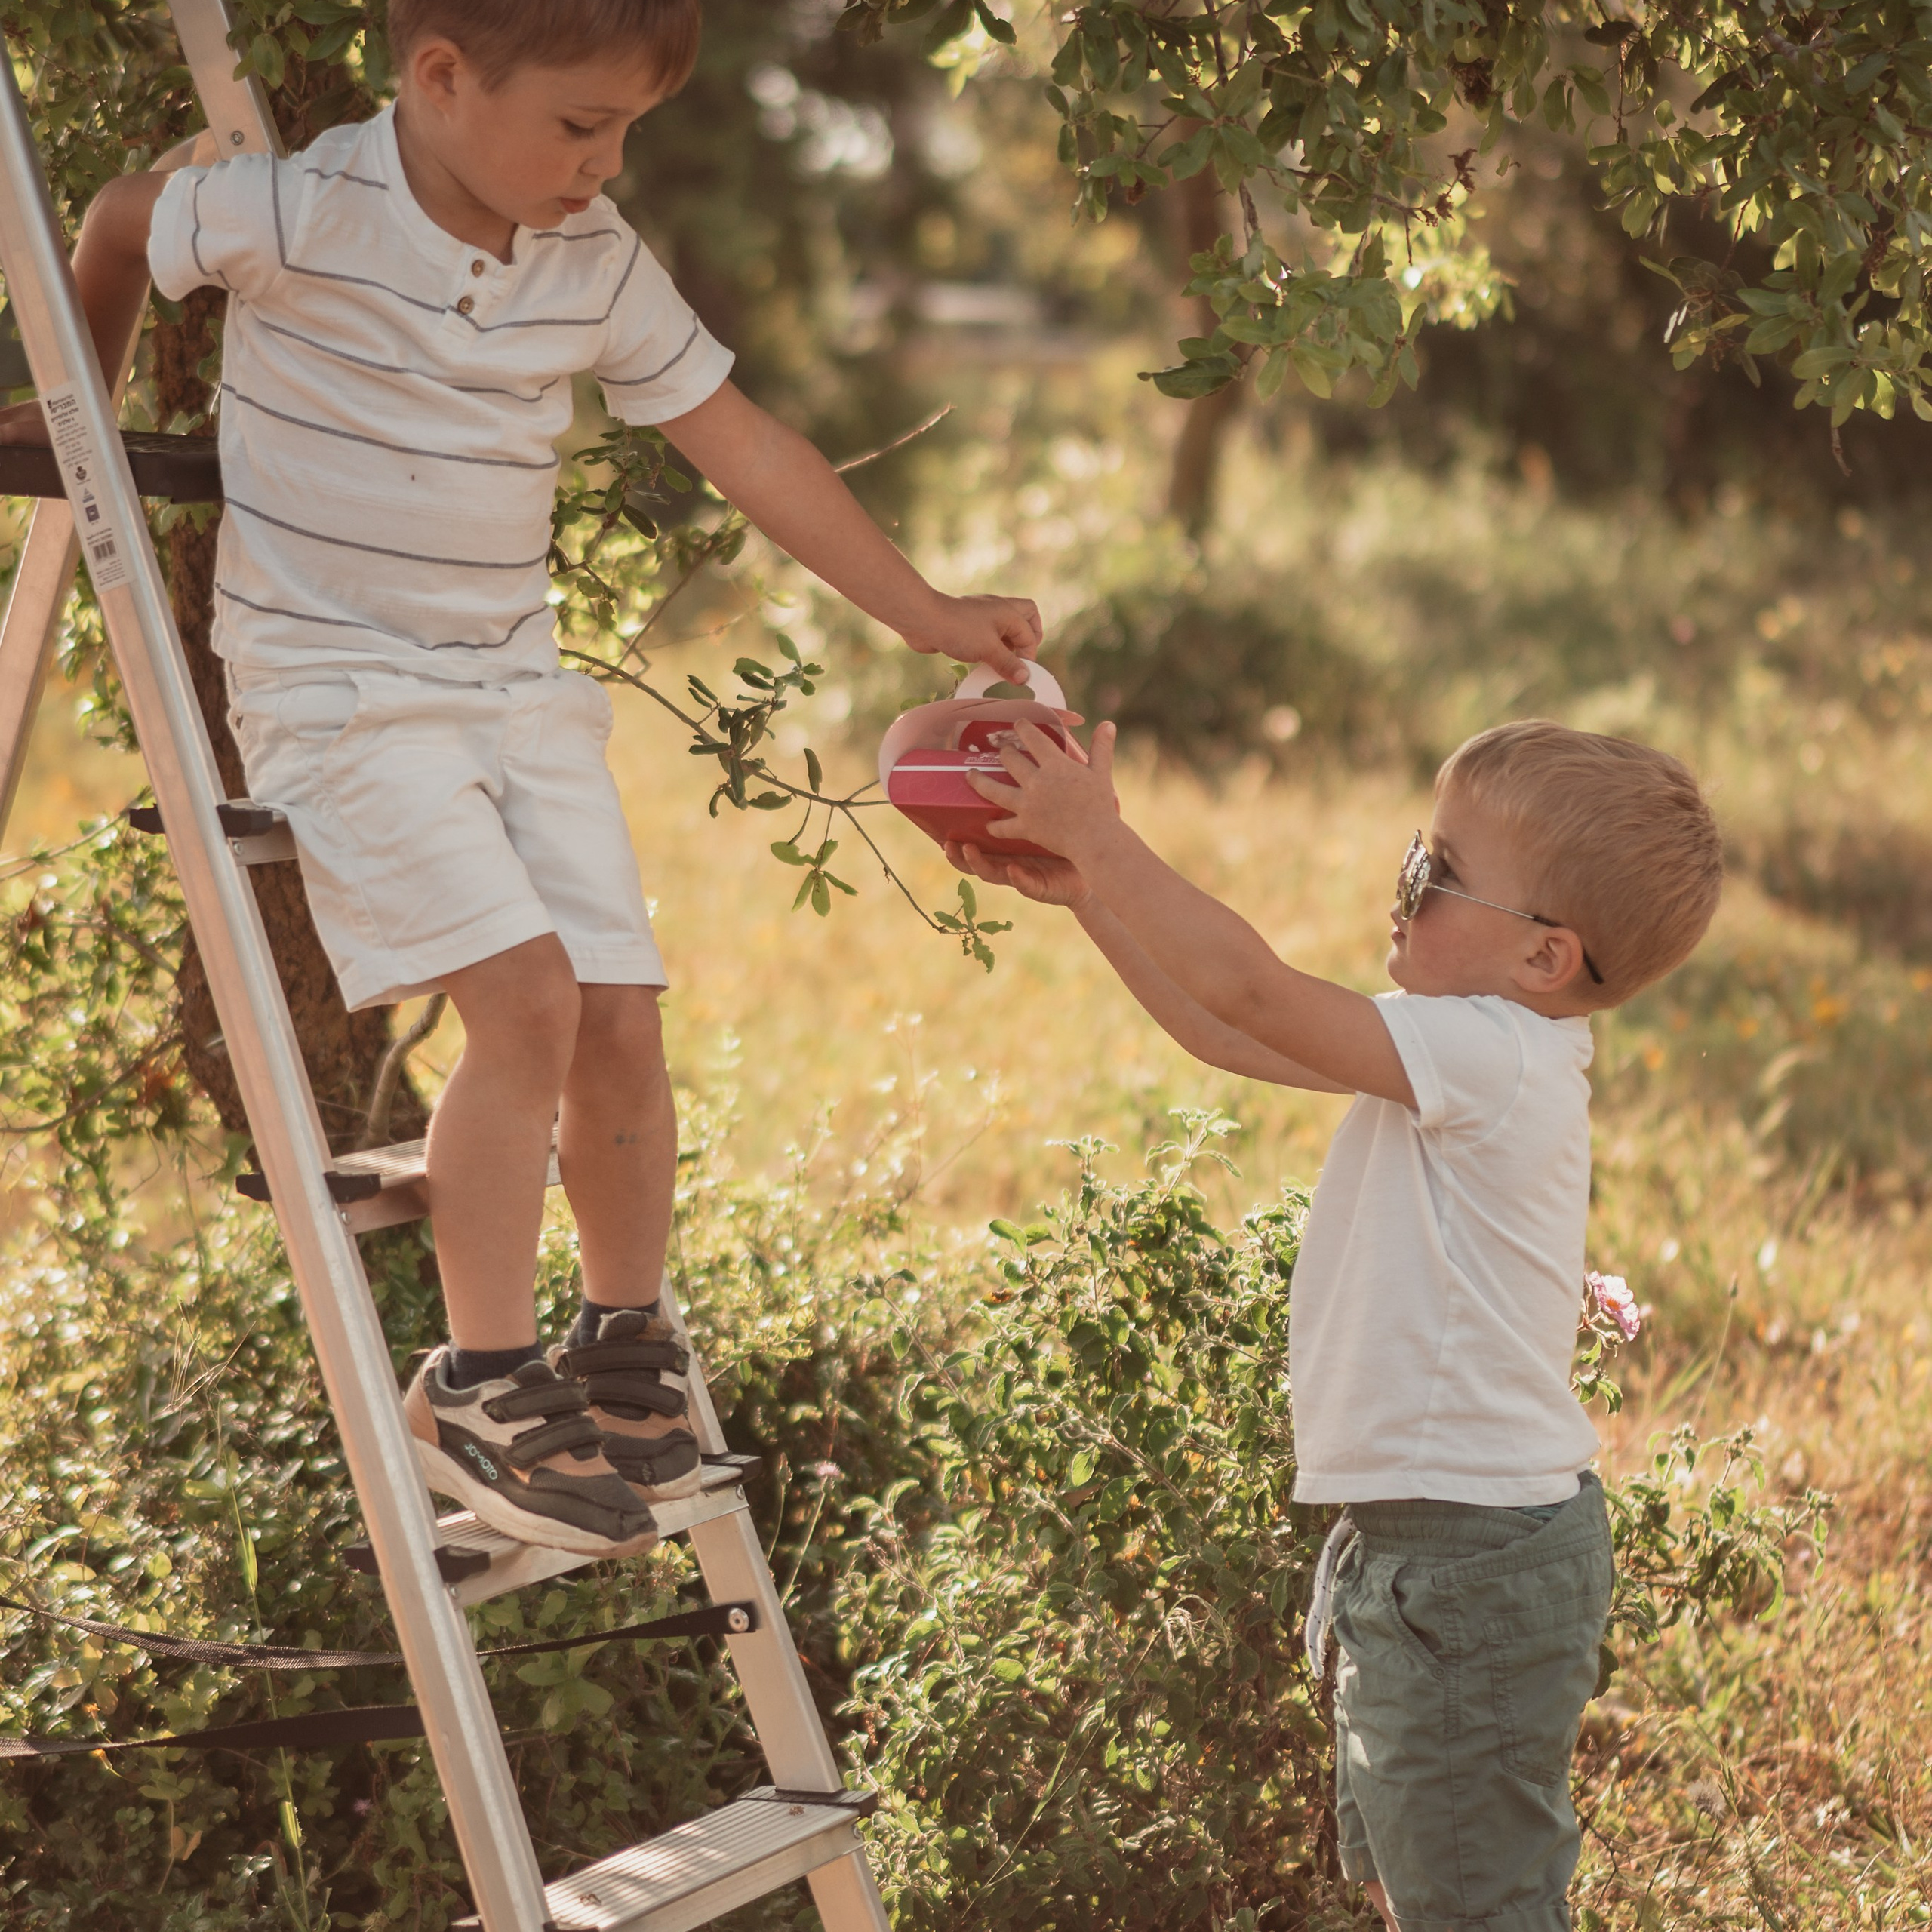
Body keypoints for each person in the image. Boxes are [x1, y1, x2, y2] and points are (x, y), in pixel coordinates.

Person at [5, 0, 1041, 1561]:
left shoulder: (594, 260)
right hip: (342, 695)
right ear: (437, 78)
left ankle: (621, 1343)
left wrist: (930, 616)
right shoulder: (305, 206)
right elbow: (121, 214)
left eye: (628, 131)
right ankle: (479, 1377)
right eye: (578, 126)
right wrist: (74, 393)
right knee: (532, 1001)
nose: (604, 163)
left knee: (620, 1014)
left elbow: (747, 446)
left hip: (513, 687)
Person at [947, 717, 1723, 1931]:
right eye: (1416, 851)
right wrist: (1092, 888)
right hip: (1433, 1552)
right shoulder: (1468, 1049)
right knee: (1438, 1892)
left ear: (1543, 958)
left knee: (1477, 1908)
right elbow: (1227, 1028)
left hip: (1466, 1563)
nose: (1403, 885)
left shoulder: (1492, 1055)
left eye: (1438, 873)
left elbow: (1253, 987)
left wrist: (1105, 834)